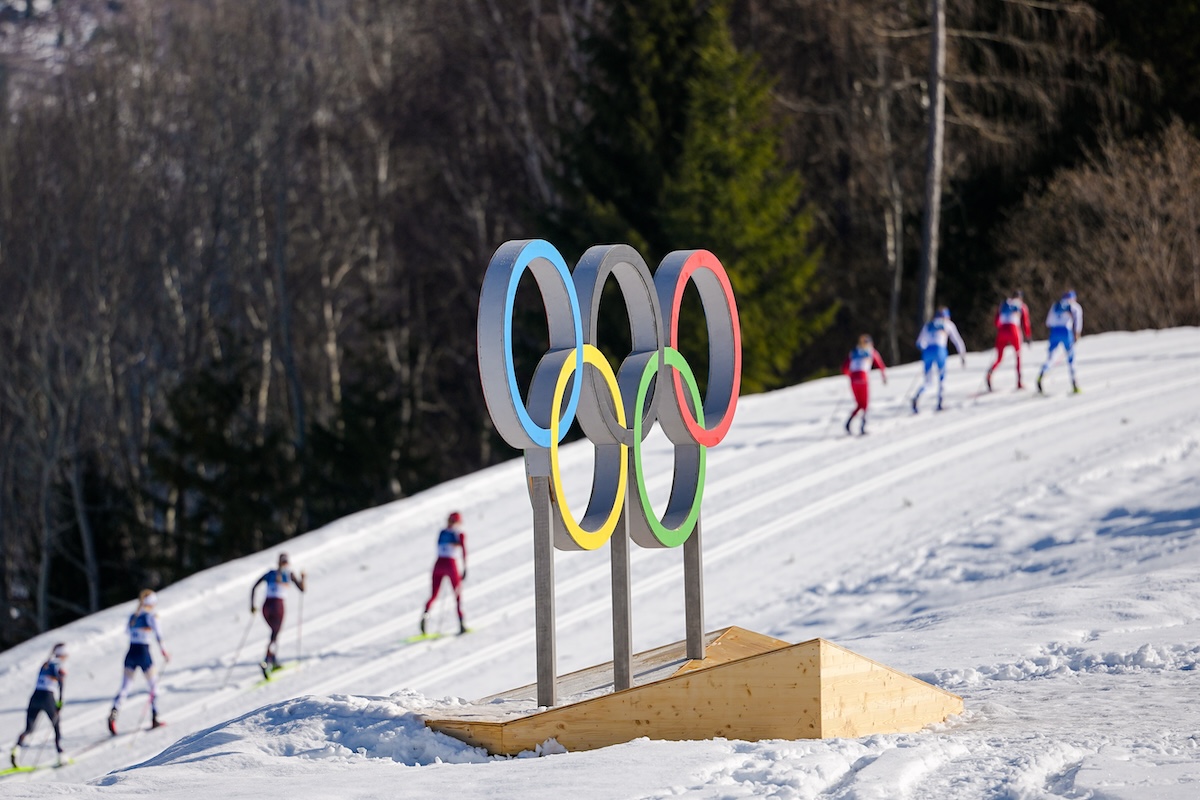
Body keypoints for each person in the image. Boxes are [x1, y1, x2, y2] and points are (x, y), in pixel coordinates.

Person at [109, 590, 169, 735]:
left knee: (125, 687)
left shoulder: (133, 616)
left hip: (131, 652)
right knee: (153, 685)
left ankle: (114, 713)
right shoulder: (151, 616)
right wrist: (164, 651)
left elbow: (128, 632)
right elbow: (158, 634)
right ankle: (155, 717)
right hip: (143, 653)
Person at [250, 553, 307, 679]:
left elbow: (254, 587)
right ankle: (267, 661)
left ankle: (273, 660)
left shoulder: (270, 573)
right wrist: (303, 578)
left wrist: (252, 605)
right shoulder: (289, 574)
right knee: (275, 633)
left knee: (274, 633)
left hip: (266, 606)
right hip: (277, 606)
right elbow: (302, 589)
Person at [11, 643, 67, 768]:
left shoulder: (45, 663)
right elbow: (61, 681)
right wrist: (60, 701)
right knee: (56, 725)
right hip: (47, 696)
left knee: (29, 728)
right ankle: (61, 755)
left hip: (35, 696)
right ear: (62, 654)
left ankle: (16, 749)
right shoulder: (58, 664)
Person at [420, 511, 468, 635]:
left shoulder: (442, 532)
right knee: (457, 594)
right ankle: (461, 623)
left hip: (438, 564)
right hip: (450, 564)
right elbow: (463, 551)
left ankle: (425, 617)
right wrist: (465, 567)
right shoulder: (459, 533)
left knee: (434, 594)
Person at [912, 306, 967, 413]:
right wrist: (962, 355)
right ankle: (940, 402)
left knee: (928, 381)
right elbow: (957, 340)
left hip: (927, 351)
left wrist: (926, 350)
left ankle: (917, 396)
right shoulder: (948, 324)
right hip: (940, 350)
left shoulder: (929, 324)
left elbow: (919, 343)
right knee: (942, 377)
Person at [1037, 290, 1084, 394]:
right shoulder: (1074, 306)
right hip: (1066, 332)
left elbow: (1048, 322)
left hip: (1054, 332)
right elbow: (1078, 321)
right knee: (1071, 358)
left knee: (1051, 357)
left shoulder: (1056, 305)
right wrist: (1077, 334)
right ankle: (1074, 383)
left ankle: (1042, 374)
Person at [841, 334, 888, 435]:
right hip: (863, 379)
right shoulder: (871, 351)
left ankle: (848, 422)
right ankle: (862, 426)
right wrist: (883, 376)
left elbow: (844, 368)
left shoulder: (853, 352)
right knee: (865, 405)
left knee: (859, 404)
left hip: (853, 380)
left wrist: (851, 376)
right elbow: (880, 364)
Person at [986, 290, 1032, 391]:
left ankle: (990, 373)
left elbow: (996, 321)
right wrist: (1028, 336)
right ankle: (1019, 382)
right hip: (1014, 330)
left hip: (1002, 330)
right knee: (1018, 355)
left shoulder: (1004, 304)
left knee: (999, 357)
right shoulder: (1022, 306)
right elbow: (1025, 322)